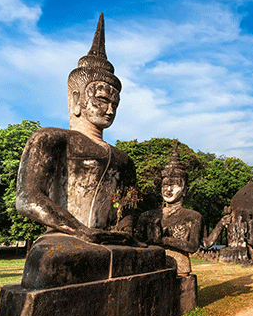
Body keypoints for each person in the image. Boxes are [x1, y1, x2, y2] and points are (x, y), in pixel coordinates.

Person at [16, 14, 138, 245]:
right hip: (65, 237)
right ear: (75, 100)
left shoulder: (124, 160)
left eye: (115, 104)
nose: (110, 110)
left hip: (109, 240)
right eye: (102, 100)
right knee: (51, 263)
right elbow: (28, 198)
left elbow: (127, 208)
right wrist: (80, 230)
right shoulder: (51, 139)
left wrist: (124, 233)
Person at [136, 143, 203, 275]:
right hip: (151, 267)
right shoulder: (147, 216)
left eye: (174, 185)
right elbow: (138, 242)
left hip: (180, 267)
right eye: (165, 185)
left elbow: (193, 246)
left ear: (184, 190)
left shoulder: (193, 217)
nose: (168, 189)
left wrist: (163, 240)